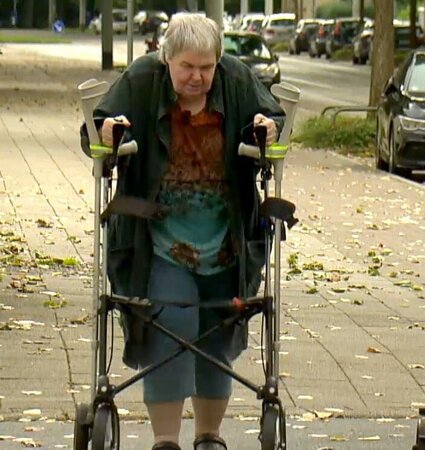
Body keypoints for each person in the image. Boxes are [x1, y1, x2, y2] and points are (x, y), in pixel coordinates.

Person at [83, 13, 285, 450]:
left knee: (216, 337)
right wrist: (107, 130)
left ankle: (209, 438)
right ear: (167, 58)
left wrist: (269, 127)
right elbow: (95, 126)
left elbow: (273, 117)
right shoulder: (142, 80)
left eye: (206, 67)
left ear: (218, 62)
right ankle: (166, 441)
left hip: (226, 241)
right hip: (160, 243)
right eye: (187, 67)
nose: (197, 77)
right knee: (170, 330)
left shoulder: (236, 79)